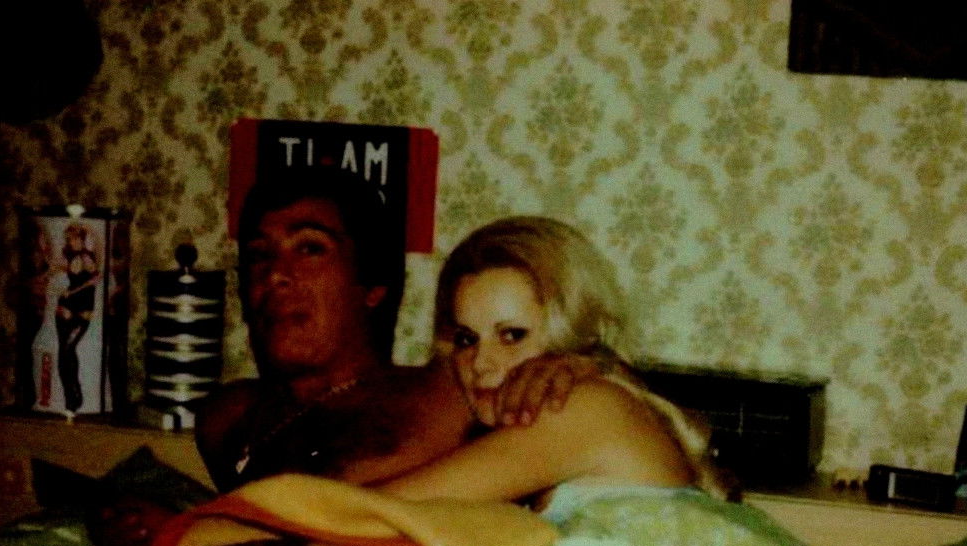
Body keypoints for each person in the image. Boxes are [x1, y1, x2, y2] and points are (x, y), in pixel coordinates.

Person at [195, 170, 596, 495]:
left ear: (374, 284)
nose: (274, 276)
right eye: (259, 255)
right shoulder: (228, 419)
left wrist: (578, 368)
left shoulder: (454, 388)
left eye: (310, 248)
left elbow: (607, 409)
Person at [377, 215, 722, 505]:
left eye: (512, 335)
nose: (481, 363)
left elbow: (378, 512)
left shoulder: (585, 408)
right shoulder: (582, 407)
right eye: (467, 339)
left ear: (569, 334)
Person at [55, 221, 99, 412]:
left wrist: (72, 292)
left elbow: (94, 281)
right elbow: (54, 270)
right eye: (69, 239)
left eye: (74, 238)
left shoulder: (88, 257)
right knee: (63, 351)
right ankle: (69, 396)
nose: (71, 242)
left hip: (82, 311)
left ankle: (75, 391)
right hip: (65, 308)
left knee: (68, 348)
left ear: (82, 239)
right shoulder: (67, 257)